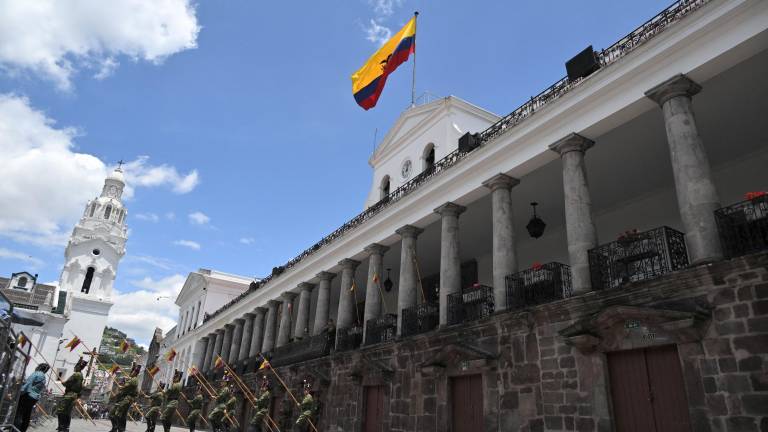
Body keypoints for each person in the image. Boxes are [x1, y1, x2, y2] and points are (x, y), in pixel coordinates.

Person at [14, 362, 50, 431]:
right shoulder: (44, 377)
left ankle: (15, 430)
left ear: (39, 367)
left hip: (27, 395)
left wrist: (20, 393)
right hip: (34, 398)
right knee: (26, 415)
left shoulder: (36, 373)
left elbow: (28, 384)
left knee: (19, 414)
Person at [55, 357, 87, 432]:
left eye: (76, 366)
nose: (74, 367)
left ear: (78, 367)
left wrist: (63, 382)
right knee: (67, 412)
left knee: (61, 410)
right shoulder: (81, 375)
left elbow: (67, 383)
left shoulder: (76, 374)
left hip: (69, 395)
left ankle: (61, 426)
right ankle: (66, 427)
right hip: (74, 395)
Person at [109, 363, 141, 432]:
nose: (131, 373)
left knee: (119, 414)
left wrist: (123, 385)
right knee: (114, 414)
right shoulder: (130, 379)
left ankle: (120, 429)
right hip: (122, 399)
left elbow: (128, 386)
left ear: (135, 372)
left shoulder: (134, 379)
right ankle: (116, 428)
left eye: (132, 371)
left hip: (126, 399)